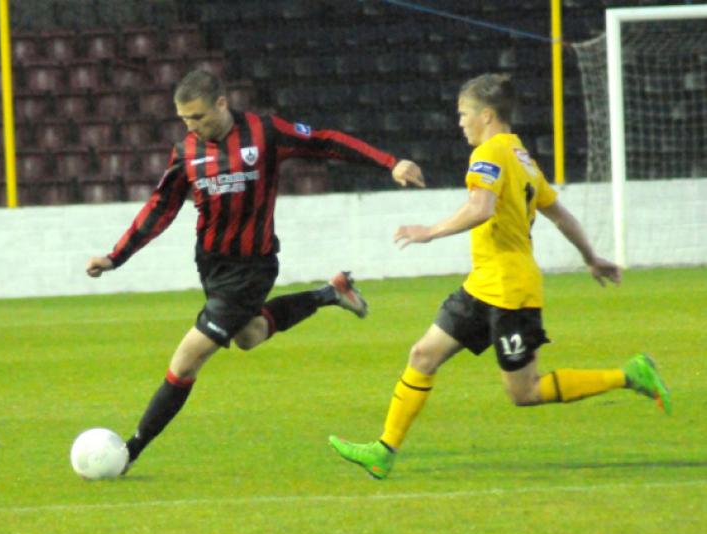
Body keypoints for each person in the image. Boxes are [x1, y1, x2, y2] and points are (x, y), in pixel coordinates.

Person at [328, 73, 671, 480]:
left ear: (486, 115)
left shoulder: (489, 153)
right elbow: (559, 214)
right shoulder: (520, 155)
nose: (460, 123)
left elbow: (481, 208)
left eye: (463, 114)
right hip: (483, 284)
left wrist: (430, 231)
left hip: (510, 292)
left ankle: (631, 375)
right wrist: (591, 257)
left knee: (524, 393)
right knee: (423, 355)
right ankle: (383, 451)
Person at [86, 69, 425, 473]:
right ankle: (330, 293)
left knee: (186, 360)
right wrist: (115, 257)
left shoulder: (265, 133)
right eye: (184, 120)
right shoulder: (187, 151)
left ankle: (129, 451)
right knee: (249, 336)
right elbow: (161, 208)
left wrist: (390, 163)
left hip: (252, 268)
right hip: (212, 266)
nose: (191, 127)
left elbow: (324, 141)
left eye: (197, 117)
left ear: (222, 104)